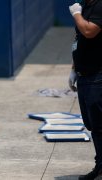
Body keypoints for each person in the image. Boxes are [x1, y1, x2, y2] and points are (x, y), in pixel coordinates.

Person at [69, 1, 102, 179]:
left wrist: (76, 14)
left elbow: (89, 31)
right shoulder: (85, 6)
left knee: (99, 126)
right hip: (85, 74)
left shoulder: (99, 6)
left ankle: (100, 167)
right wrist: (74, 68)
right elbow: (79, 39)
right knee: (92, 124)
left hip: (97, 75)